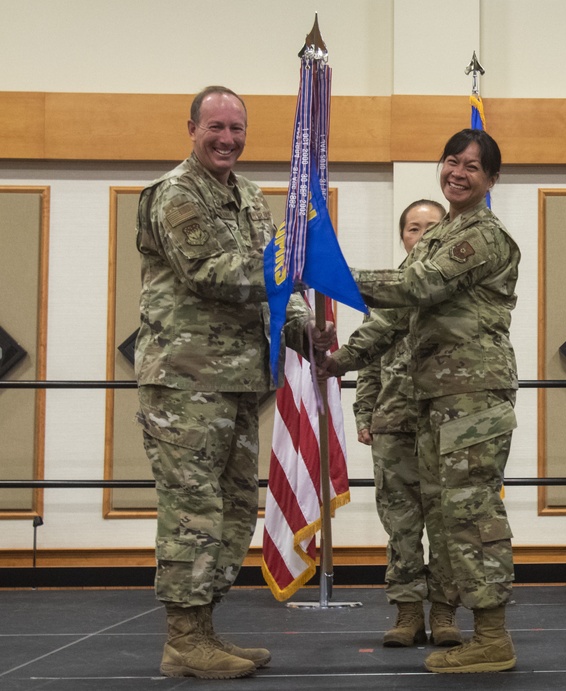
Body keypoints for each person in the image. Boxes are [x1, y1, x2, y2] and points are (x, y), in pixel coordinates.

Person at [134, 86, 332, 680]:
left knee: (236, 507)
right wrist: (296, 262)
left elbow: (274, 284)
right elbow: (211, 274)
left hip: (243, 381)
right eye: (215, 127)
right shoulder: (174, 194)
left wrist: (304, 330)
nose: (227, 139)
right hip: (186, 381)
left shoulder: (249, 195)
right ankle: (182, 638)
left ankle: (204, 629)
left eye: (237, 129)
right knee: (194, 509)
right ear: (191, 128)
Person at [321, 129, 520, 674]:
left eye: (472, 167)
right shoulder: (441, 235)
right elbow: (392, 320)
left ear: (491, 180)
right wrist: (336, 362)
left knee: (471, 515)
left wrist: (328, 275)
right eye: (451, 162)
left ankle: (492, 637)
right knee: (445, 516)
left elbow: (417, 289)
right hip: (438, 401)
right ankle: (471, 629)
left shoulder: (480, 235)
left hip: (472, 397)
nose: (458, 173)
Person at [346, 199, 461, 648]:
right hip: (393, 424)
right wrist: (364, 413)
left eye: (431, 227)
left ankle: (446, 613)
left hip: (446, 424)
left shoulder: (457, 291)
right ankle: (408, 613)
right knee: (401, 525)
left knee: (448, 523)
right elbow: (368, 359)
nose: (421, 235)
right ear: (403, 236)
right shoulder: (385, 293)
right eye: (413, 228)